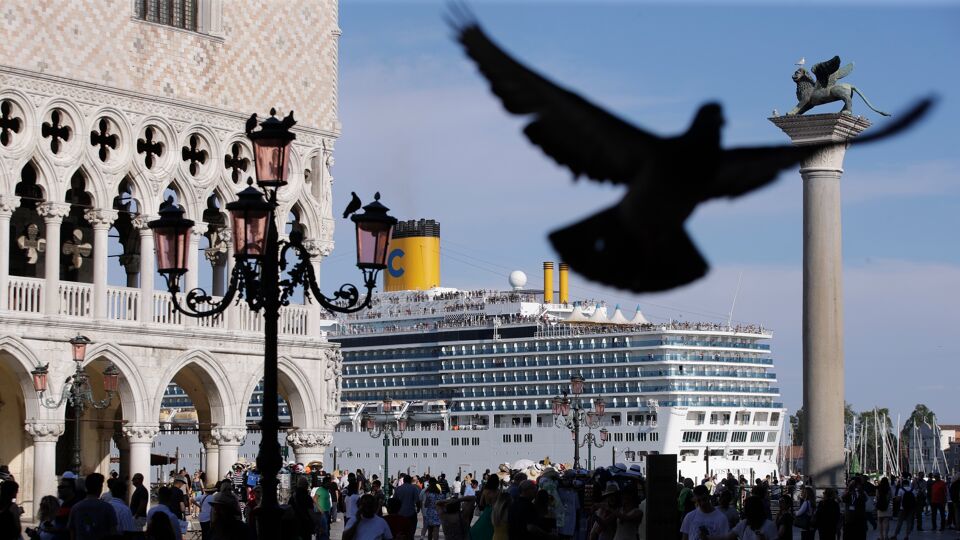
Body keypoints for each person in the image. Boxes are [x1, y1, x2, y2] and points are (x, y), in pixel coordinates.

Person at [67, 474, 118, 540]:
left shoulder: (75, 508)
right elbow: (113, 532)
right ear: (100, 487)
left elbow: (72, 533)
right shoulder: (107, 508)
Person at [893, 473, 917, 540]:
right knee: (909, 522)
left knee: (899, 522)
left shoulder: (901, 490)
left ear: (903, 484)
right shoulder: (913, 490)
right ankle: (907, 536)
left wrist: (896, 498)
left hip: (902, 508)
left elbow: (898, 499)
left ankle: (895, 535)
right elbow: (915, 499)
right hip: (911, 508)